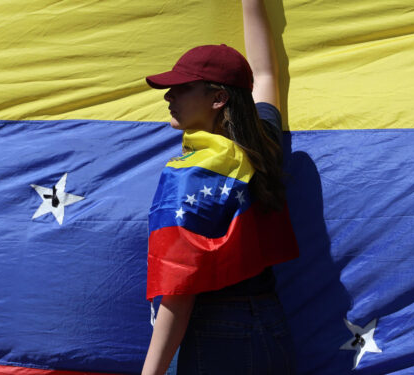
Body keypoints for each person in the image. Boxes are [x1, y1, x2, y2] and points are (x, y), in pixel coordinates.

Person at [142, 1, 299, 374]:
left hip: (215, 331)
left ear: (218, 99)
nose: (168, 97)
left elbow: (179, 294)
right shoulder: (263, 145)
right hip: (269, 323)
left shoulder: (193, 175)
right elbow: (262, 75)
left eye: (182, 89)